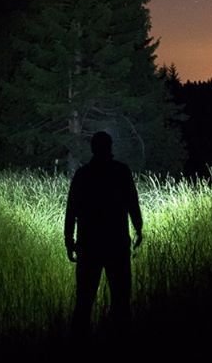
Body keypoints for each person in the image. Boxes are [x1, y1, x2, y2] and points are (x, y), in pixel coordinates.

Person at [64, 130, 143, 340]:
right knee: (121, 298)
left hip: (89, 245)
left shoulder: (83, 175)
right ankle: (120, 341)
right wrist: (139, 229)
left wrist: (68, 240)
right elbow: (132, 203)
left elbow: (71, 209)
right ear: (110, 147)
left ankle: (79, 344)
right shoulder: (121, 172)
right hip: (117, 244)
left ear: (93, 148)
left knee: (84, 300)